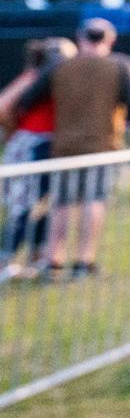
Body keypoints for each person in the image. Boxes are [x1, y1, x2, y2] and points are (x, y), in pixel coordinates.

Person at [4, 19, 130, 278]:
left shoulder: (60, 66)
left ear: (80, 38)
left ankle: (54, 261)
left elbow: (28, 99)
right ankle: (84, 261)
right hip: (102, 146)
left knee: (61, 204)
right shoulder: (120, 65)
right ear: (110, 39)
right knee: (93, 201)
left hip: (64, 146)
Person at [0, 38, 72, 279]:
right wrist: (17, 132)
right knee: (23, 205)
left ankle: (36, 257)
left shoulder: (50, 78)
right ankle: (4, 259)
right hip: (34, 145)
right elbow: (3, 106)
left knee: (41, 203)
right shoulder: (37, 77)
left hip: (41, 144)